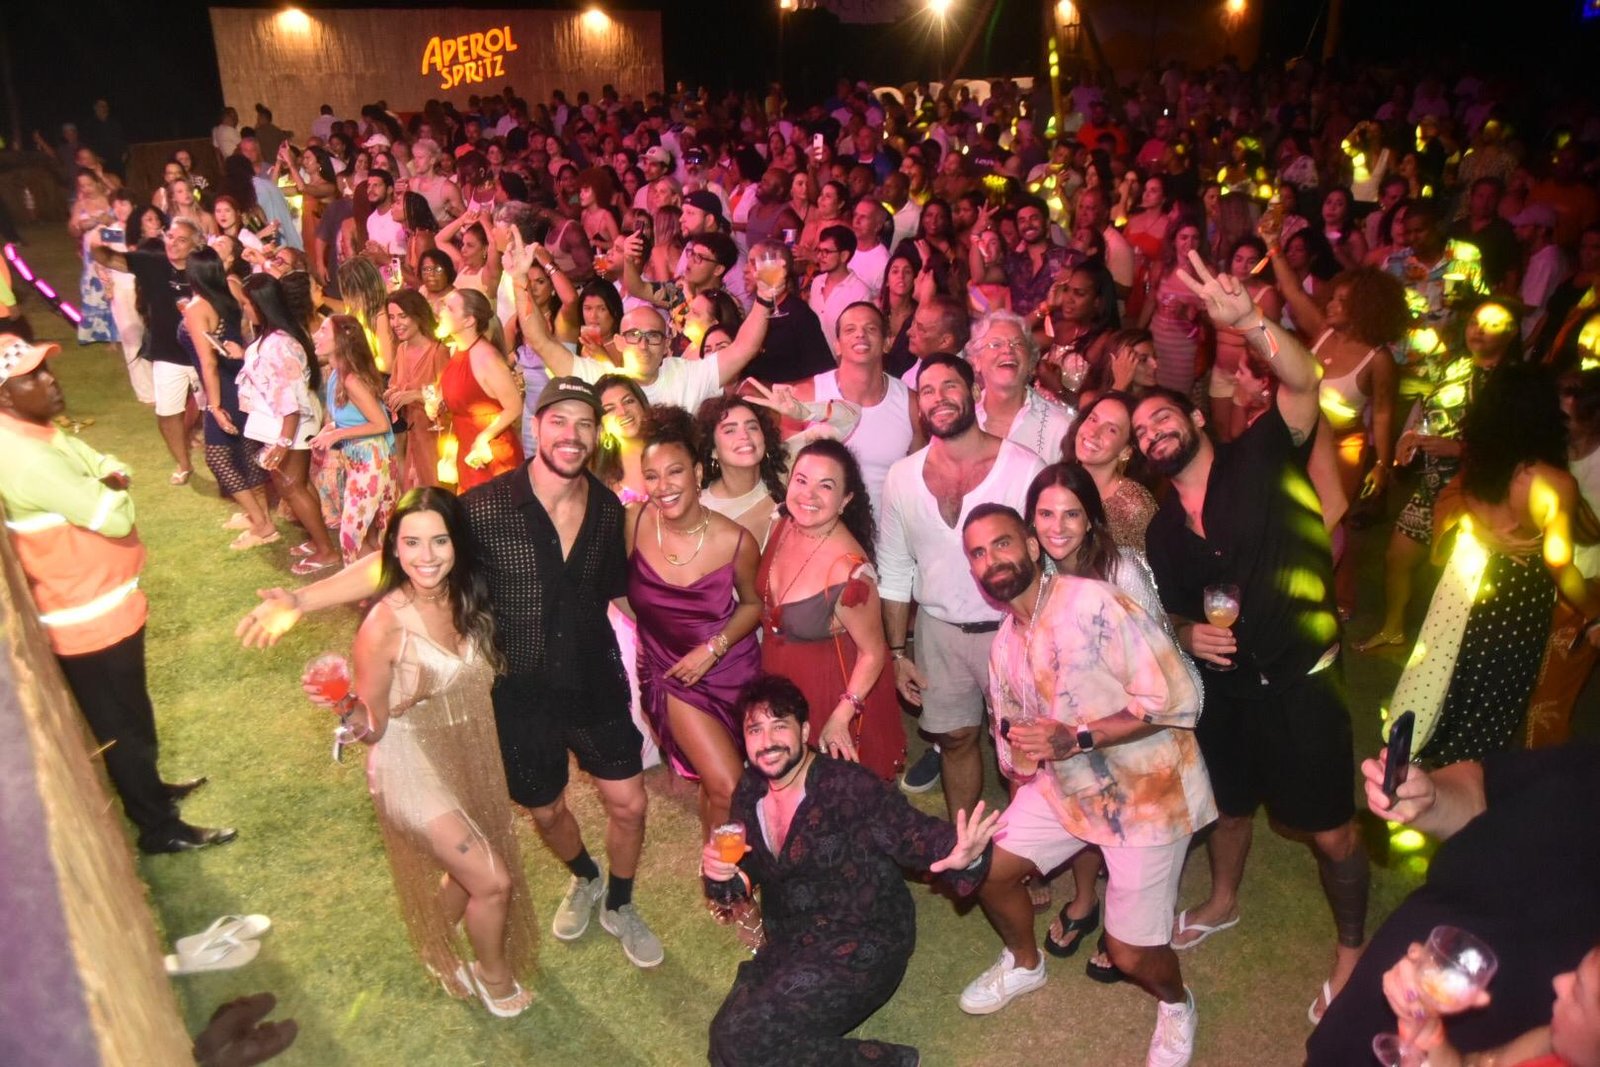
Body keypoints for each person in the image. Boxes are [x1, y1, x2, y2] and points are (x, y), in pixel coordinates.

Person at [241, 377, 663, 972]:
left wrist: (680, 649)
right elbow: (400, 555)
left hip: (594, 682)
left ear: (596, 436)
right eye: (559, 421)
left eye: (584, 424)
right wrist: (301, 600)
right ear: (536, 426)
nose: (571, 435)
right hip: (516, 698)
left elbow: (618, 594)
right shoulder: (485, 507)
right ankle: (585, 876)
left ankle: (620, 901)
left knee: (630, 804)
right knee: (546, 811)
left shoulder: (608, 510)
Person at [1136, 252, 1369, 1024]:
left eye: (1163, 416)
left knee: (1330, 830)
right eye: (1142, 430)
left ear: (1197, 418)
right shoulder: (1164, 531)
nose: (1154, 430)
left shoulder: (1262, 453)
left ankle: (1352, 948)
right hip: (1229, 693)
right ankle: (1224, 896)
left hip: (1302, 679)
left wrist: (1252, 324)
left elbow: (1304, 382)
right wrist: (1187, 632)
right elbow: (1172, 610)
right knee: (1230, 807)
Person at [958, 504, 1210, 1067]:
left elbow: (1179, 700)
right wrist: (1023, 785)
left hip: (1149, 793)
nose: (992, 559)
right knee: (986, 868)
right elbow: (1019, 747)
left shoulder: (1093, 603)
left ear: (1031, 545)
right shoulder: (1004, 644)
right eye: (978, 553)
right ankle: (1025, 964)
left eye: (1002, 543)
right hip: (1067, 787)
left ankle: (1177, 1003)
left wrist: (1076, 737)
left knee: (1130, 953)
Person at [0, 333, 229, 853]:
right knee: (123, 726)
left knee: (132, 716)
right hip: (88, 617)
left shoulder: (34, 432)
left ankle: (150, 791)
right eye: (32, 377)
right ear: (5, 397)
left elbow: (94, 457)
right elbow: (114, 515)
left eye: (45, 369)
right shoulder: (26, 457)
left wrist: (105, 474)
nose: (50, 382)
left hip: (100, 606)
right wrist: (112, 485)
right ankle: (158, 828)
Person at [701, 674, 998, 1067]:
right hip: (792, 940)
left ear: (804, 730)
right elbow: (749, 866)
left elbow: (911, 832)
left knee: (748, 1045)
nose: (767, 741)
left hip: (863, 941)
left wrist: (963, 853)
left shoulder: (849, 787)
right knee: (725, 1043)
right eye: (755, 729)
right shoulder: (750, 788)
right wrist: (722, 874)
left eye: (779, 726)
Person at [347, 488, 537, 1017]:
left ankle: (435, 942)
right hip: (407, 763)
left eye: (439, 541)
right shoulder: (384, 625)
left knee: (470, 865)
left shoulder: (468, 596)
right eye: (411, 542)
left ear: (458, 544)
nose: (425, 556)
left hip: (463, 753)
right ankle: (493, 976)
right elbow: (373, 728)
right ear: (394, 547)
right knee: (493, 882)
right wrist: (344, 707)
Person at [1305, 742, 1600, 1066]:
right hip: (1409, 987)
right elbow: (1485, 787)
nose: (1562, 981)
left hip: (1486, 1023)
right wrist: (1431, 799)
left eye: (1582, 993)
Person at [1390, 365, 1600, 766]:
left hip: (1466, 576)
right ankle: (1466, 780)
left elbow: (1463, 502)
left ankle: (1424, 761)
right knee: (1494, 694)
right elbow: (1559, 564)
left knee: (1448, 672)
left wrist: (1483, 532)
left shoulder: (1482, 463)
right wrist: (1593, 613)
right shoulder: (1554, 482)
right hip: (1517, 594)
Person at [878, 353, 1046, 818]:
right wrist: (897, 653)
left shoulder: (1025, 468)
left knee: (1024, 750)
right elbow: (894, 567)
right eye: (928, 391)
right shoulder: (901, 477)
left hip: (1011, 630)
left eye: (950, 386)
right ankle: (965, 842)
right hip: (938, 632)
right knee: (955, 738)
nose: (939, 398)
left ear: (974, 392)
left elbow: (1046, 559)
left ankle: (1027, 850)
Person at [625, 411, 763, 833]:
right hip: (673, 674)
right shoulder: (634, 521)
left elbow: (753, 606)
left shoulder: (735, 541)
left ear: (698, 472)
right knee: (729, 784)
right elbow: (620, 589)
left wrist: (712, 648)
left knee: (717, 782)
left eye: (675, 471)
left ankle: (714, 861)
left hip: (730, 669)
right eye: (652, 476)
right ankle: (722, 872)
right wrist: (650, 638)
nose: (663, 486)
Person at [1360, 299, 1524, 652]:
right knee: (1397, 558)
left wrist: (1460, 450)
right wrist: (1410, 437)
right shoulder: (1455, 365)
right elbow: (1430, 412)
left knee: (1458, 575)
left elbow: (1517, 445)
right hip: (1432, 485)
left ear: (1512, 333)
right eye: (1476, 320)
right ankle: (1393, 629)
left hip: (1478, 490)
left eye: (1493, 323)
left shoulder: (1516, 383)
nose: (1479, 329)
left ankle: (1453, 650)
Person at [758, 437, 907, 781]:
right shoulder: (783, 525)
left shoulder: (850, 572)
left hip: (827, 692)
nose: (808, 495)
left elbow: (873, 652)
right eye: (801, 480)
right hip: (778, 678)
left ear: (845, 500)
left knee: (829, 792)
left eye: (825, 486)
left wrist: (843, 714)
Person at [236, 273, 340, 574]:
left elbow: (289, 399)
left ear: (261, 305)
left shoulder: (279, 343)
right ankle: (318, 540)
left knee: (292, 487)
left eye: (247, 304)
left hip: (290, 426)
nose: (244, 309)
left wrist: (283, 442)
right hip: (283, 424)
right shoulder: (276, 336)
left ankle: (326, 551)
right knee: (296, 485)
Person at [89, 218, 204, 485]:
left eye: (181, 240)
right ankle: (183, 463)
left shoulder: (204, 266)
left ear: (195, 244)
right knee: (167, 413)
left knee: (217, 409)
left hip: (203, 353)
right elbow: (108, 258)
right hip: (167, 354)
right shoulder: (151, 262)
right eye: (170, 237)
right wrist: (96, 238)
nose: (173, 244)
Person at [179, 247, 273, 550]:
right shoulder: (231, 290)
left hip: (222, 386)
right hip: (241, 379)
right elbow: (244, 331)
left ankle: (263, 524)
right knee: (246, 450)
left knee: (218, 458)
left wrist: (215, 406)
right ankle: (257, 514)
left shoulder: (197, 307)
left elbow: (208, 362)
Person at [309, 315, 397, 564]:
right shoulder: (336, 375)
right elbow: (350, 419)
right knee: (363, 532)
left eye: (323, 331)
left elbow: (380, 423)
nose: (316, 336)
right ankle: (374, 580)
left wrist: (337, 434)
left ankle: (364, 580)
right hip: (358, 461)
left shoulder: (351, 380)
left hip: (372, 462)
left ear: (342, 339)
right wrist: (327, 431)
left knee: (351, 533)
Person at [437, 288, 523, 492]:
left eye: (450, 308)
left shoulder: (487, 358)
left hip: (491, 455)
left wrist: (484, 437)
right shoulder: (457, 351)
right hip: (467, 450)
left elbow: (514, 406)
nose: (441, 312)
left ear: (469, 320)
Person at [967, 309, 1075, 464]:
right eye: (996, 344)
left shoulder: (1061, 427)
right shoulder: (962, 419)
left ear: (1031, 363)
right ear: (976, 360)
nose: (1007, 350)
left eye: (1017, 344)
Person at [1066, 392, 1159, 552]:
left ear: (1125, 451)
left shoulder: (1132, 507)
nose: (1093, 432)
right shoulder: (1062, 480)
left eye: (1111, 430)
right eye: (1093, 419)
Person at [379, 290, 450, 491]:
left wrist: (415, 396)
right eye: (392, 317)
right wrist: (392, 394)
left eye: (402, 316)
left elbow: (447, 397)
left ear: (418, 315)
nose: (396, 323)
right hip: (412, 437)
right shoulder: (402, 350)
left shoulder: (438, 352)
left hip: (435, 439)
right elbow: (397, 384)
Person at [808, 224, 873, 356]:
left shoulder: (860, 292)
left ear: (844, 256)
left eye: (826, 252)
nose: (820, 256)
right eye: (819, 250)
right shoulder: (816, 282)